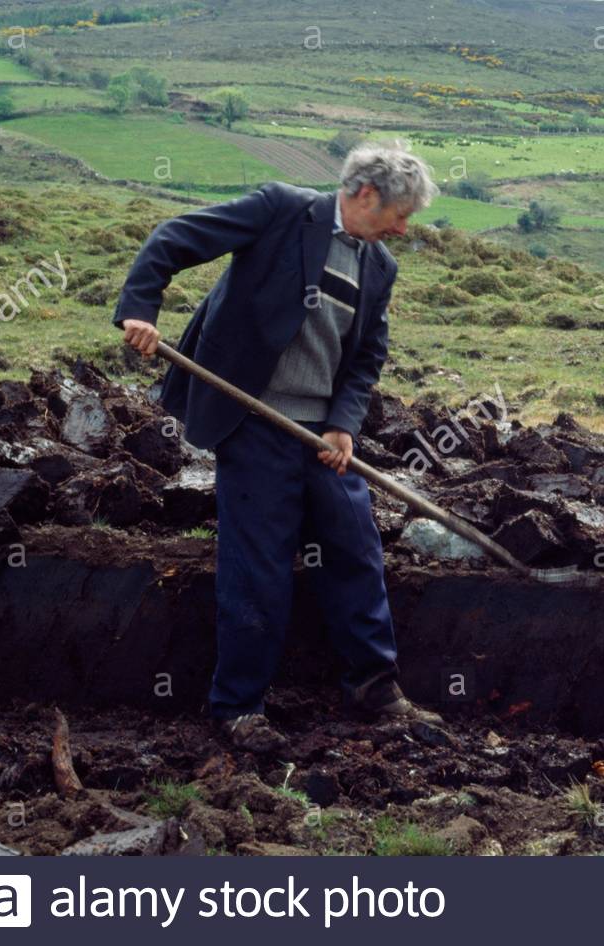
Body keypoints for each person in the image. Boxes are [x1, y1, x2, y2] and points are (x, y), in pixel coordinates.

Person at [114, 142, 443, 751]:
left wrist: (344, 424)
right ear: (365, 193)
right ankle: (238, 706)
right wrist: (140, 309)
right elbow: (173, 238)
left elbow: (366, 355)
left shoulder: (379, 267)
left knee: (356, 547)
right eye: (399, 213)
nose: (403, 228)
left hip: (320, 435)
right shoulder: (280, 210)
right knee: (258, 563)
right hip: (252, 416)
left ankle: (373, 686)